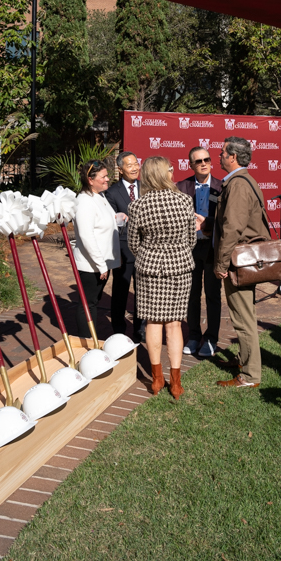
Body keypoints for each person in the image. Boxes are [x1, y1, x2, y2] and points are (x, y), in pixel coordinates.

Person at [127, 156, 196, 399]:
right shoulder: (185, 200)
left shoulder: (138, 205)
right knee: (175, 323)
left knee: (153, 322)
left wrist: (151, 255)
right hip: (179, 268)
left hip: (150, 269)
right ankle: (175, 382)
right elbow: (191, 239)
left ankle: (157, 379)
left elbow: (133, 243)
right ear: (165, 174)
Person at [214, 137, 266, 389]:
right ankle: (243, 361)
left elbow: (232, 228)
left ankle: (250, 375)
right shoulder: (243, 180)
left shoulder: (237, 185)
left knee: (243, 318)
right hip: (244, 260)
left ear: (232, 156)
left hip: (238, 262)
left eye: (222, 152)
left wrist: (221, 264)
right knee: (245, 314)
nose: (219, 156)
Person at [177, 146, 223, 358]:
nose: (204, 163)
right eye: (198, 161)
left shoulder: (222, 187)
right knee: (191, 296)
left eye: (207, 159)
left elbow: (226, 221)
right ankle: (194, 335)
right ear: (191, 165)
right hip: (190, 249)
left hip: (213, 249)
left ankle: (212, 338)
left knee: (213, 295)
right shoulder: (181, 187)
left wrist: (208, 224)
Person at [73, 159, 121, 338]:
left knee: (93, 301)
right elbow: (86, 236)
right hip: (91, 264)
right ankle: (86, 342)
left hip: (101, 263)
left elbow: (104, 221)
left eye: (107, 175)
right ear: (90, 180)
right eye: (104, 176)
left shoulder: (99, 196)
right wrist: (101, 265)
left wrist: (118, 218)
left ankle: (91, 339)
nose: (108, 179)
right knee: (88, 304)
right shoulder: (85, 202)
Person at [106, 151, 146, 342]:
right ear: (120, 169)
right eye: (129, 165)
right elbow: (111, 227)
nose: (134, 168)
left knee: (143, 292)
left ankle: (140, 329)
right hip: (123, 251)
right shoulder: (112, 193)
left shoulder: (146, 188)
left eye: (136, 163)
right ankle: (119, 332)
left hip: (146, 251)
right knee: (120, 292)